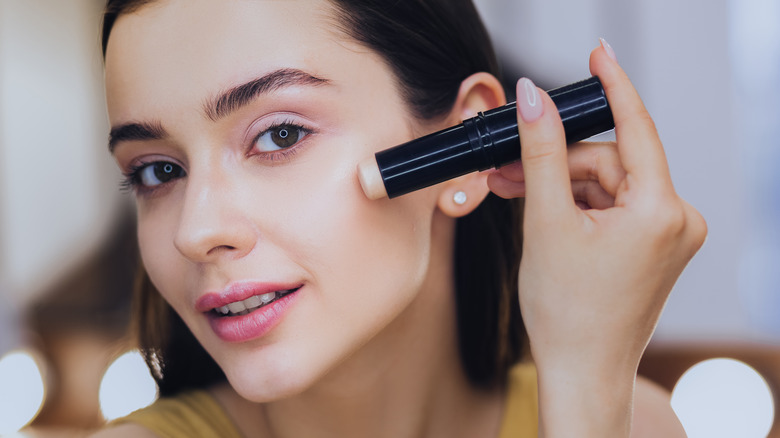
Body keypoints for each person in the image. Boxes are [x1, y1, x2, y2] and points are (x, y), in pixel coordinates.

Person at [93, 0, 706, 436]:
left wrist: (585, 392)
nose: (195, 232)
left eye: (280, 135)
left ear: (468, 149)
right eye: (157, 172)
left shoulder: (636, 424)